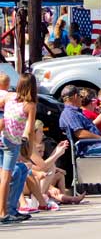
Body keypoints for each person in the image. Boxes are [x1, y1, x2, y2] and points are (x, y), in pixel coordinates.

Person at [0, 73, 35, 223]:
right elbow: (30, 129)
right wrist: (29, 150)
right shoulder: (30, 105)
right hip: (12, 142)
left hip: (2, 137)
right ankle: (3, 212)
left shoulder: (9, 97)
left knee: (14, 173)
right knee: (6, 178)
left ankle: (10, 209)